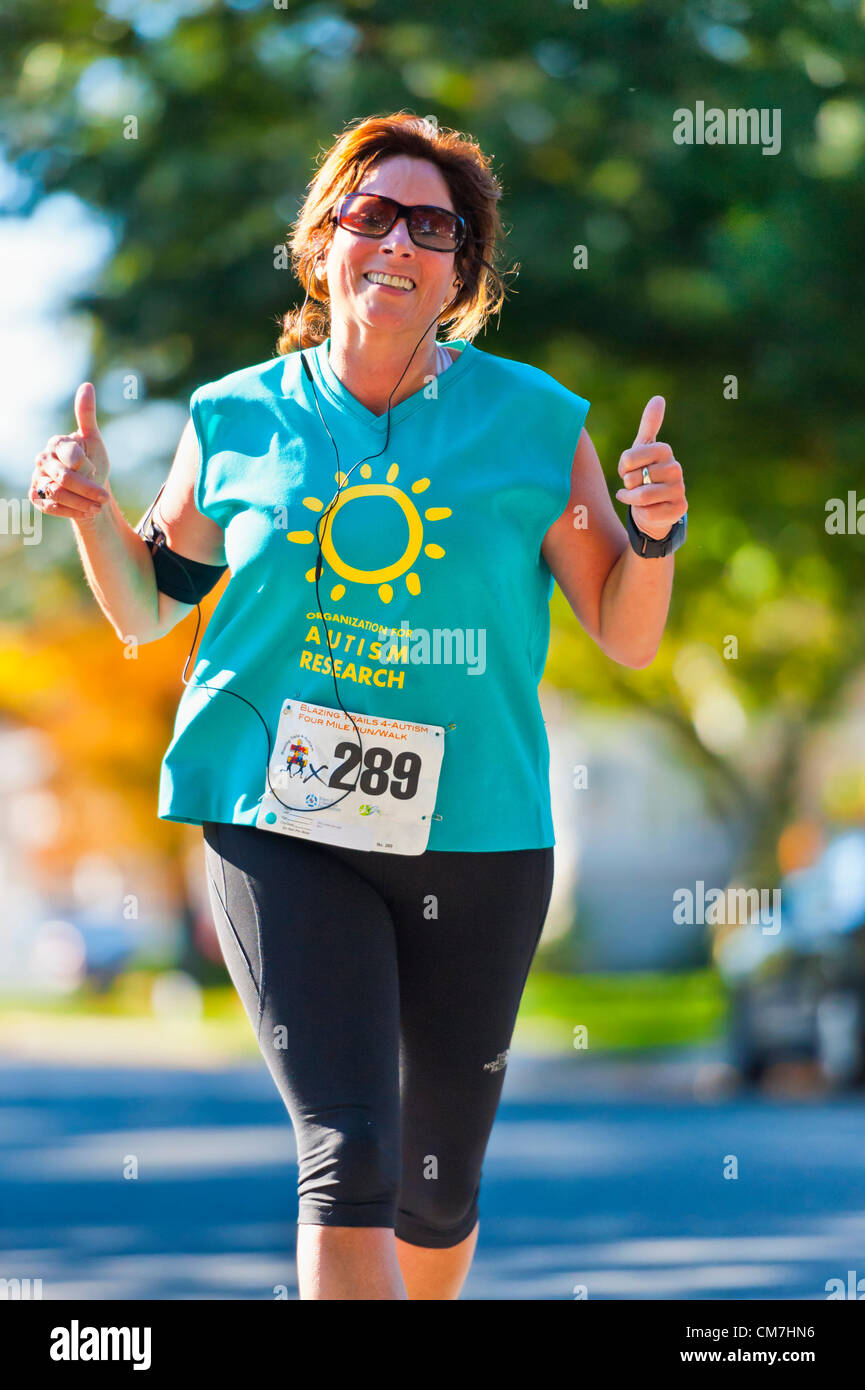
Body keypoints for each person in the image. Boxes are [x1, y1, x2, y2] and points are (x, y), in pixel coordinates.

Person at [29, 113, 687, 1300]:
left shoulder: (539, 423)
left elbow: (628, 633)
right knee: (352, 1154)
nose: (398, 241)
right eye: (369, 214)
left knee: (436, 1188)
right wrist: (87, 517)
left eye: (432, 227)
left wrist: (653, 533)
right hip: (276, 817)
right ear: (322, 243)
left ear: (461, 270)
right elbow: (146, 607)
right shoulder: (235, 418)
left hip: (479, 833)